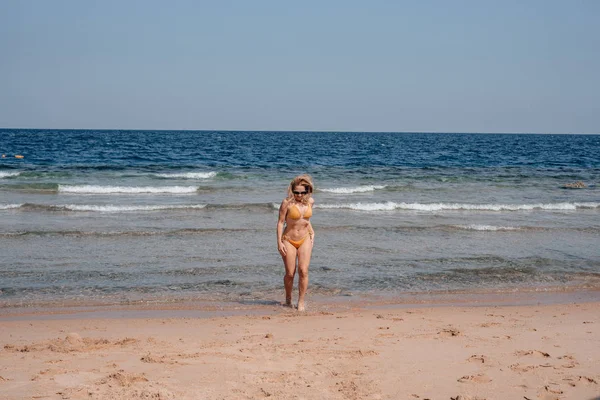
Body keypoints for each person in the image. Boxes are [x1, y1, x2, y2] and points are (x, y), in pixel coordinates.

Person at [277, 175, 315, 311]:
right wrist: (279, 242)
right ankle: (288, 299)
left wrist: (312, 232)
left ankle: (301, 302)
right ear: (292, 191)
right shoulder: (287, 203)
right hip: (288, 240)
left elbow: (306, 220)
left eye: (302, 192)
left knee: (303, 271)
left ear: (307, 191)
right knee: (290, 273)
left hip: (305, 239)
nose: (299, 195)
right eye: (296, 192)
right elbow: (281, 222)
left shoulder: (310, 202)